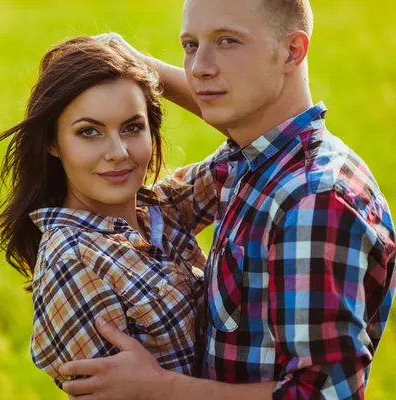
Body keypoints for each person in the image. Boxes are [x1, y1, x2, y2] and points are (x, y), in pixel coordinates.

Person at [58, 0, 396, 399]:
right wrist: (138, 67)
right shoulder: (251, 160)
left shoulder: (312, 200)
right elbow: (156, 206)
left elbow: (321, 394)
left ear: (292, 50)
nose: (200, 67)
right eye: (189, 45)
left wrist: (158, 388)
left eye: (228, 41)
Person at [0, 36, 221, 388]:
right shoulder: (73, 262)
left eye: (132, 127)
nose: (118, 152)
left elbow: (262, 136)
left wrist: (149, 69)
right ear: (53, 142)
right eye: (89, 132)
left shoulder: (162, 209)